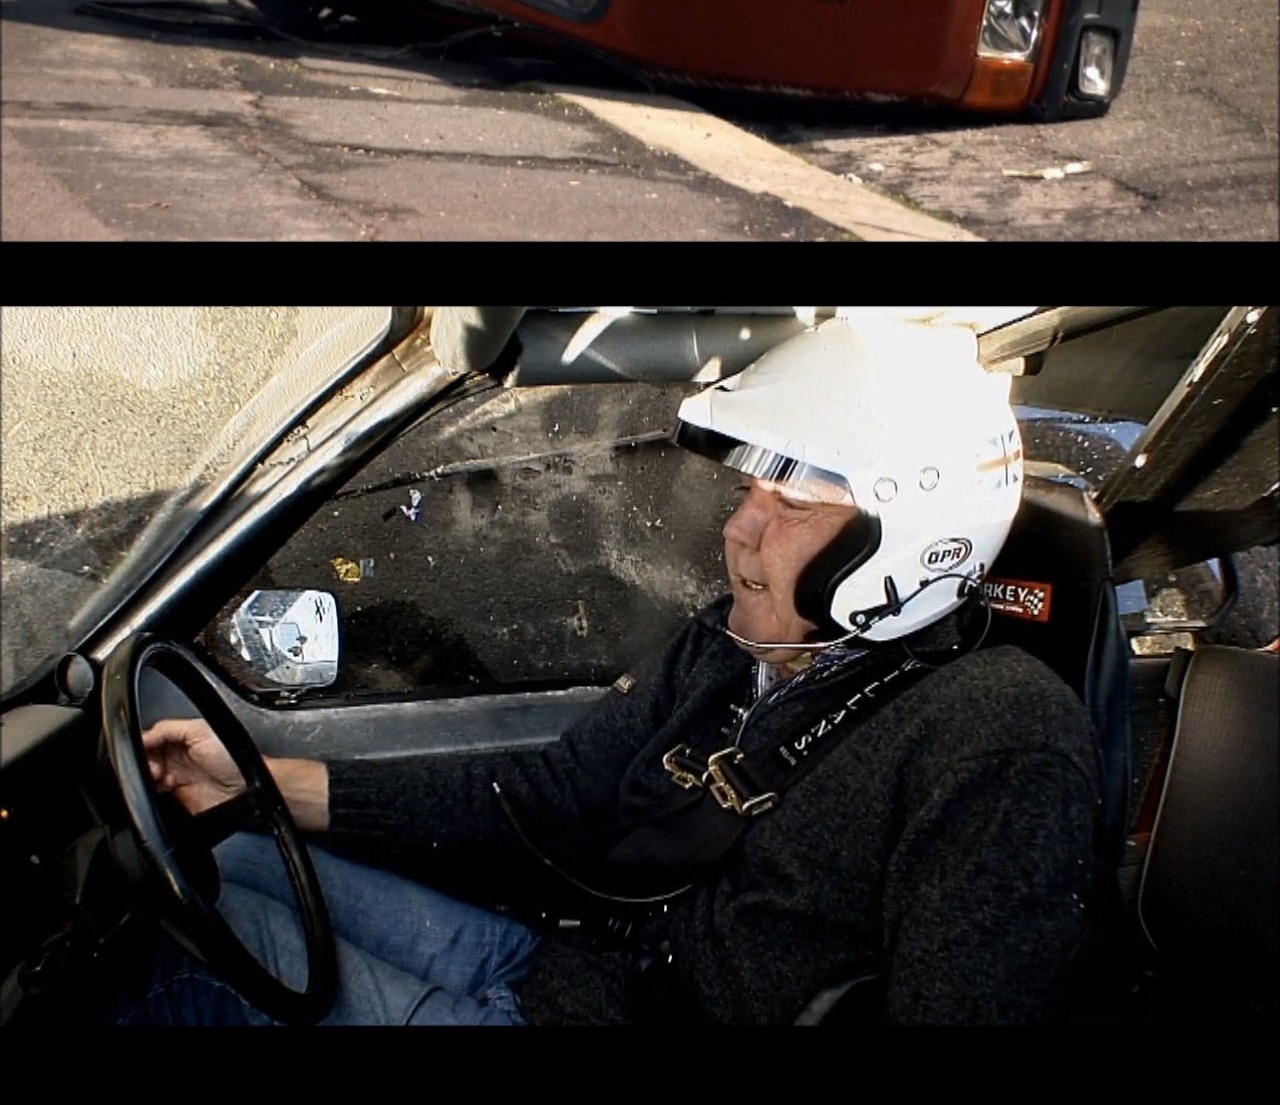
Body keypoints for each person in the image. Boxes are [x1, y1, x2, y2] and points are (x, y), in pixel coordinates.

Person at [118, 316, 1099, 1029]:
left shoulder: (994, 734)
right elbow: (551, 797)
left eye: (792, 501)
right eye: (748, 489)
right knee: (227, 862)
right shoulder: (735, 646)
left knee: (177, 968)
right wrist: (261, 780)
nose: (737, 525)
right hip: (571, 965)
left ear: (910, 535)